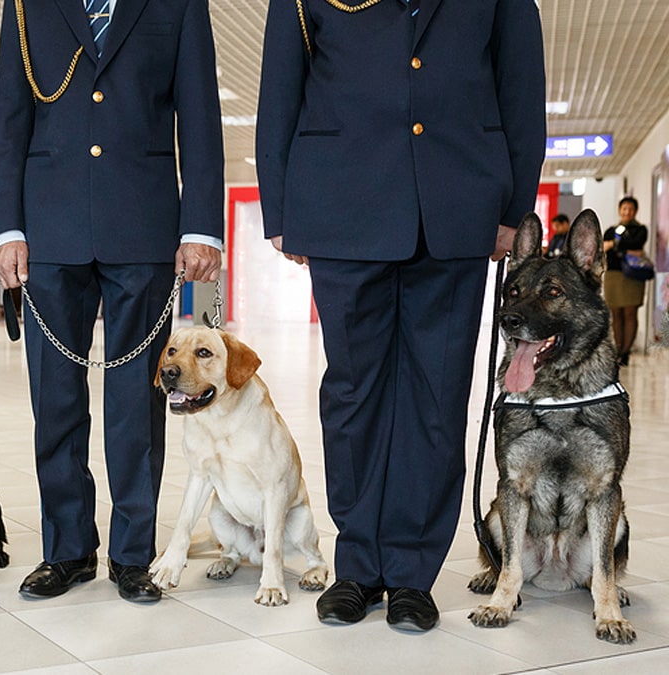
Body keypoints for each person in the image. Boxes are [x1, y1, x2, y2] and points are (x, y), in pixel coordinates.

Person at [256, 0, 545, 631]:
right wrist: (280, 209)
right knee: (354, 391)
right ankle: (358, 564)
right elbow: (280, 85)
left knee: (436, 395)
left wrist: (514, 210)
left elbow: (521, 86)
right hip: (340, 202)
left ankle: (413, 571)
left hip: (459, 203)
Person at [0, 0, 224, 603]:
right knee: (56, 399)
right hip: (49, 229)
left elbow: (199, 116)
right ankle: (66, 551)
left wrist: (201, 225)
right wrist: (8, 228)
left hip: (143, 226)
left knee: (137, 404)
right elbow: (10, 117)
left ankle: (131, 556)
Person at [602, 197, 649, 365]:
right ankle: (618, 350)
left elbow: (637, 242)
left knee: (630, 313)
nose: (627, 212)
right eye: (624, 209)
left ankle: (625, 352)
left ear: (635, 211)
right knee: (616, 314)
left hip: (632, 276)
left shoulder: (640, 229)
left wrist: (613, 245)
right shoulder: (611, 229)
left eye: (630, 209)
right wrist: (628, 248)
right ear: (619, 210)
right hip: (613, 275)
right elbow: (603, 246)